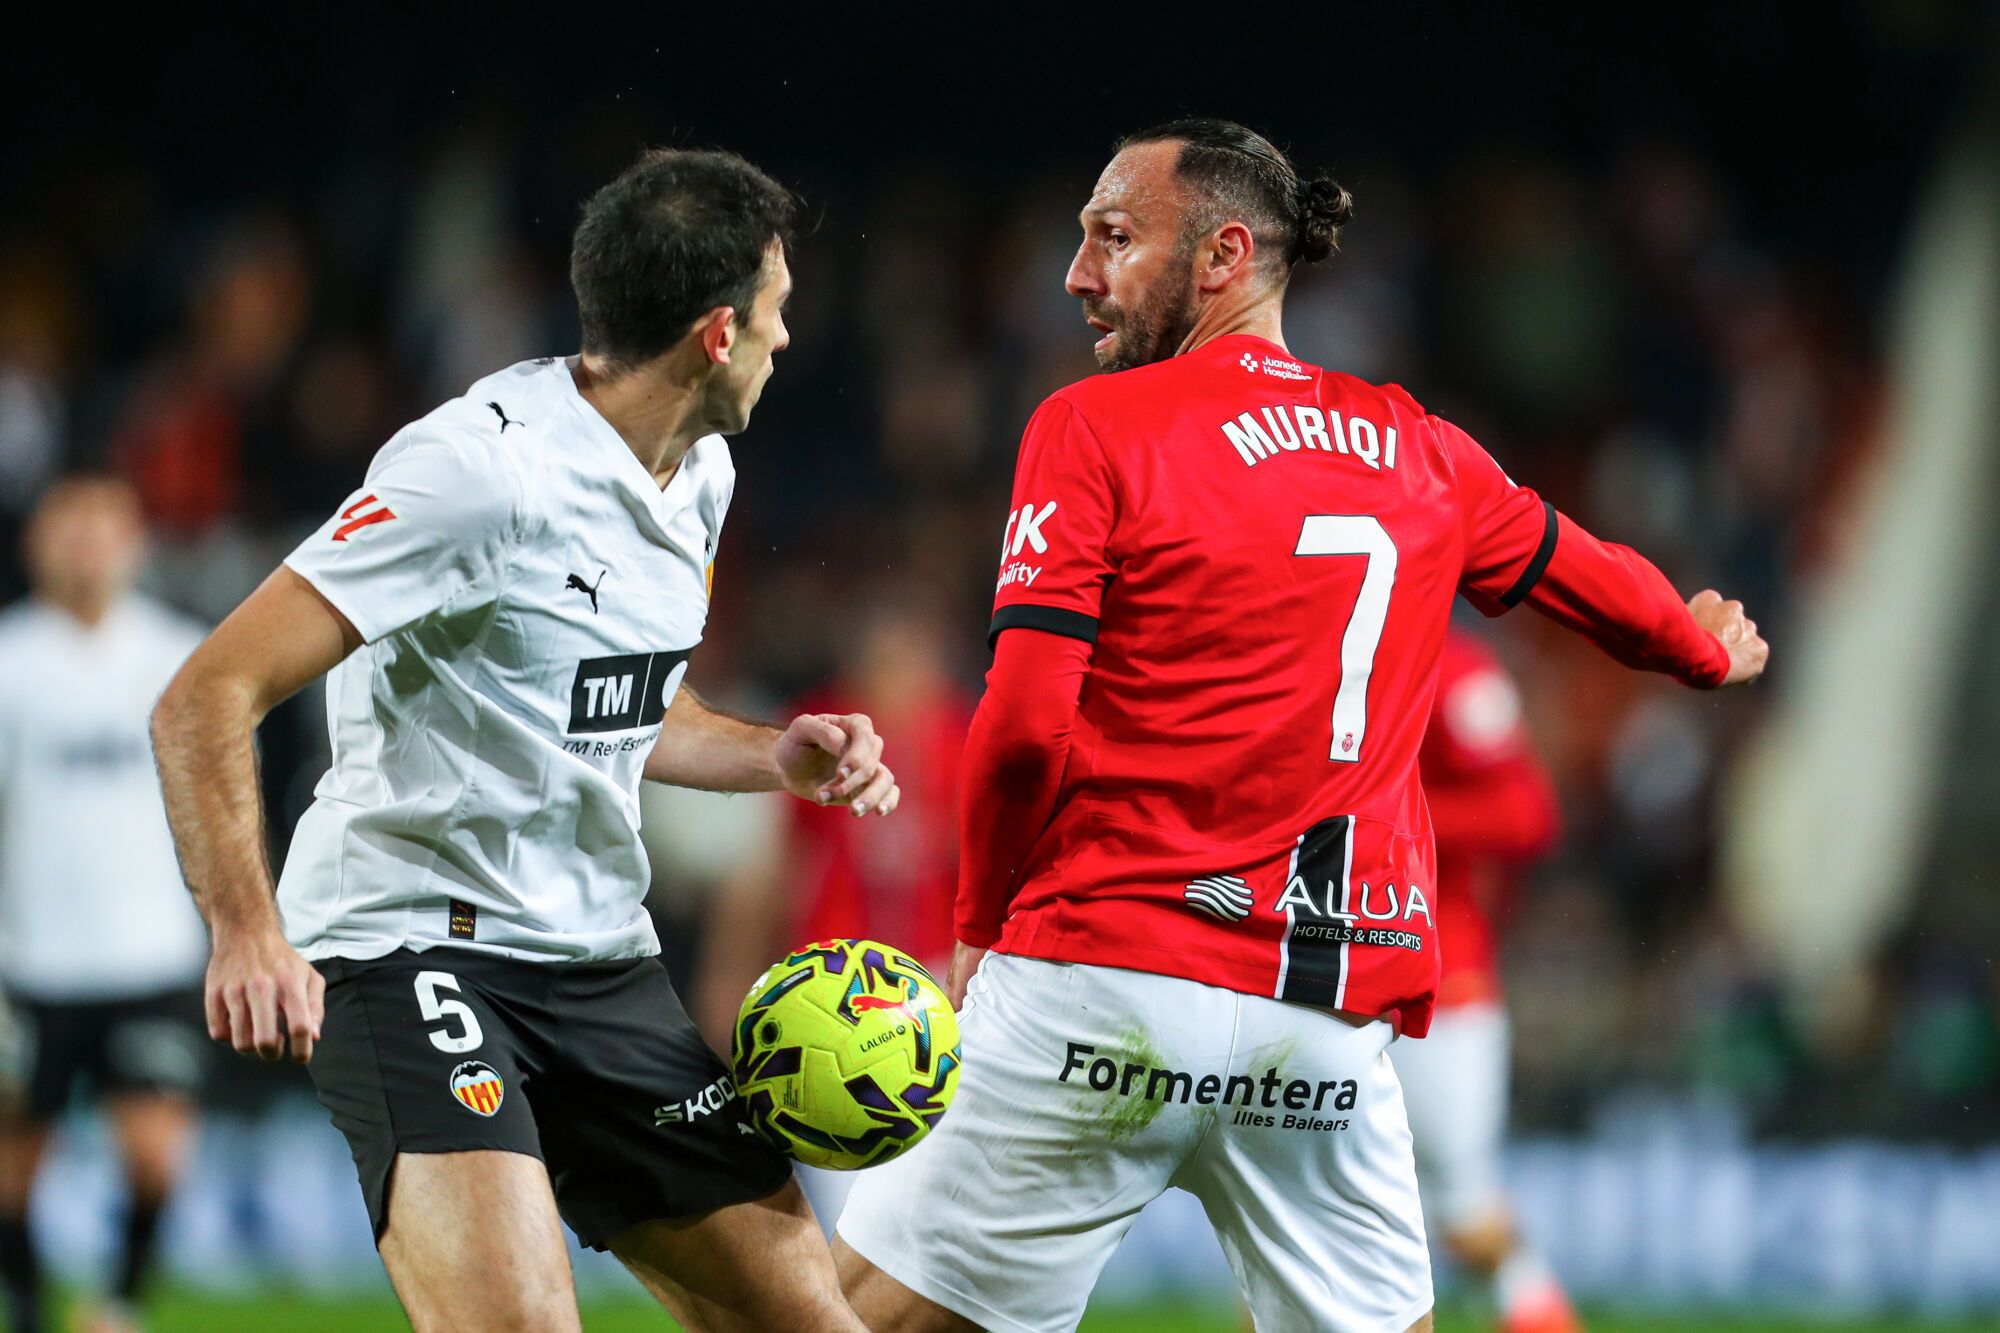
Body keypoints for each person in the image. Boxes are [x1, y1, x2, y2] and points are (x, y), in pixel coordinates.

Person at [834, 119, 1768, 1333]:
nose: (1075, 274)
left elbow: (1018, 727)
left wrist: (974, 928)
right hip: (1317, 1034)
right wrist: (1699, 645)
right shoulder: (1419, 448)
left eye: (1112, 237)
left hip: (1102, 984)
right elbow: (1591, 580)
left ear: (1222, 254)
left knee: (843, 1320)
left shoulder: (1092, 427)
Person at [150, 148, 899, 1333]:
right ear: (717, 331)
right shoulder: (476, 471)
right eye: (777, 309)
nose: (786, 339)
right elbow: (206, 690)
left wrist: (766, 754)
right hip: (411, 948)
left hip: (598, 957)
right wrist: (246, 929)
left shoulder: (699, 471)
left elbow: (605, 701)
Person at [0, 475, 210, 1333]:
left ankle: (118, 1304)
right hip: (31, 960)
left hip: (147, 955)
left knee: (159, 1157)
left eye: (103, 523)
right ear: (36, 541)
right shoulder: (9, 660)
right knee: (13, 1172)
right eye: (69, 523)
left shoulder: (183, 655)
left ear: (135, 540)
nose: (86, 541)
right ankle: (31, 1310)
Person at [1390, 630, 1577, 1333]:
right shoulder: (1307, 641)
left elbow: (1527, 810)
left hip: (1440, 984)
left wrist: (1396, 817)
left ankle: (1535, 1301)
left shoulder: (1455, 668)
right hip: (1320, 975)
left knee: (1465, 1218)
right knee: (1285, 1201)